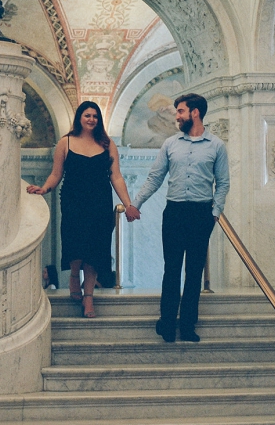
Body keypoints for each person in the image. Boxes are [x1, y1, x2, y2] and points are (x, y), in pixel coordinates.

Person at [127, 93, 231, 343]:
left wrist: (215, 212)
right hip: (174, 212)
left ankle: (187, 326)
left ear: (195, 112)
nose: (177, 116)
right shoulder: (170, 144)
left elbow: (223, 183)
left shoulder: (216, 145)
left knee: (194, 273)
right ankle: (166, 324)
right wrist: (135, 204)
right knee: (171, 269)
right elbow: (155, 177)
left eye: (181, 111)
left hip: (201, 213)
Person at [27, 101, 136, 319]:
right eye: (87, 115)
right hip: (73, 201)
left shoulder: (107, 144)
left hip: (100, 202)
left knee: (95, 250)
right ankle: (74, 276)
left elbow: (116, 176)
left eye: (95, 116)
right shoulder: (65, 142)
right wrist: (44, 188)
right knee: (75, 244)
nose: (91, 119)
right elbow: (56, 174)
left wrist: (128, 204)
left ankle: (88, 298)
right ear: (79, 117)